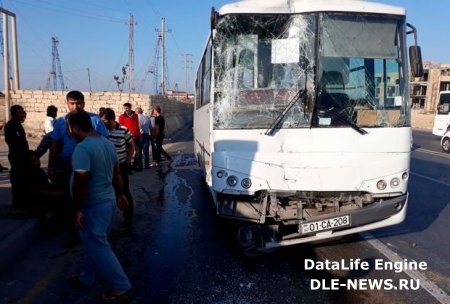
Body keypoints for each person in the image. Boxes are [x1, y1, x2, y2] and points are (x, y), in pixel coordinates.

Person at [67, 111, 133, 301]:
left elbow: (81, 181)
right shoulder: (106, 143)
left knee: (97, 244)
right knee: (95, 243)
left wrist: (78, 208)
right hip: (108, 201)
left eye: (69, 128)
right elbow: (117, 173)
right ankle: (86, 278)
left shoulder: (83, 149)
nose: (69, 132)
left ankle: (122, 286)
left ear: (76, 127)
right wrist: (120, 194)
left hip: (93, 204)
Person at [48, 90, 108, 246]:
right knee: (69, 201)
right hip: (67, 166)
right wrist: (51, 166)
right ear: (67, 104)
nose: (76, 106)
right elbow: (55, 145)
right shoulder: (61, 122)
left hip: (90, 167)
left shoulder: (94, 120)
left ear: (84, 103)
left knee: (90, 198)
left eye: (79, 103)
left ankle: (94, 231)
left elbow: (104, 141)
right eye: (72, 103)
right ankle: (72, 233)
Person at [101, 108, 135, 225]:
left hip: (121, 165)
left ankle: (128, 215)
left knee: (125, 190)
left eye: (104, 120)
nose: (102, 123)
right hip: (106, 167)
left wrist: (128, 160)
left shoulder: (124, 130)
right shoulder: (101, 131)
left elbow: (131, 146)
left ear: (111, 120)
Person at [4, 105, 29, 209]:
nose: (22, 114)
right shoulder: (11, 125)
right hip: (16, 156)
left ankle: (21, 202)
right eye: (19, 112)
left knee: (22, 180)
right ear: (13, 114)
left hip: (21, 156)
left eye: (22, 112)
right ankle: (18, 204)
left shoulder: (17, 124)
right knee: (17, 180)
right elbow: (14, 142)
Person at [118, 103, 142, 171]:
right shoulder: (121, 117)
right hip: (128, 137)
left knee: (139, 152)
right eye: (125, 108)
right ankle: (128, 168)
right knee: (128, 153)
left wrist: (139, 135)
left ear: (130, 108)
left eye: (127, 108)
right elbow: (121, 127)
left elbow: (137, 126)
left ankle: (136, 166)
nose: (126, 110)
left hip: (137, 136)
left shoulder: (136, 116)